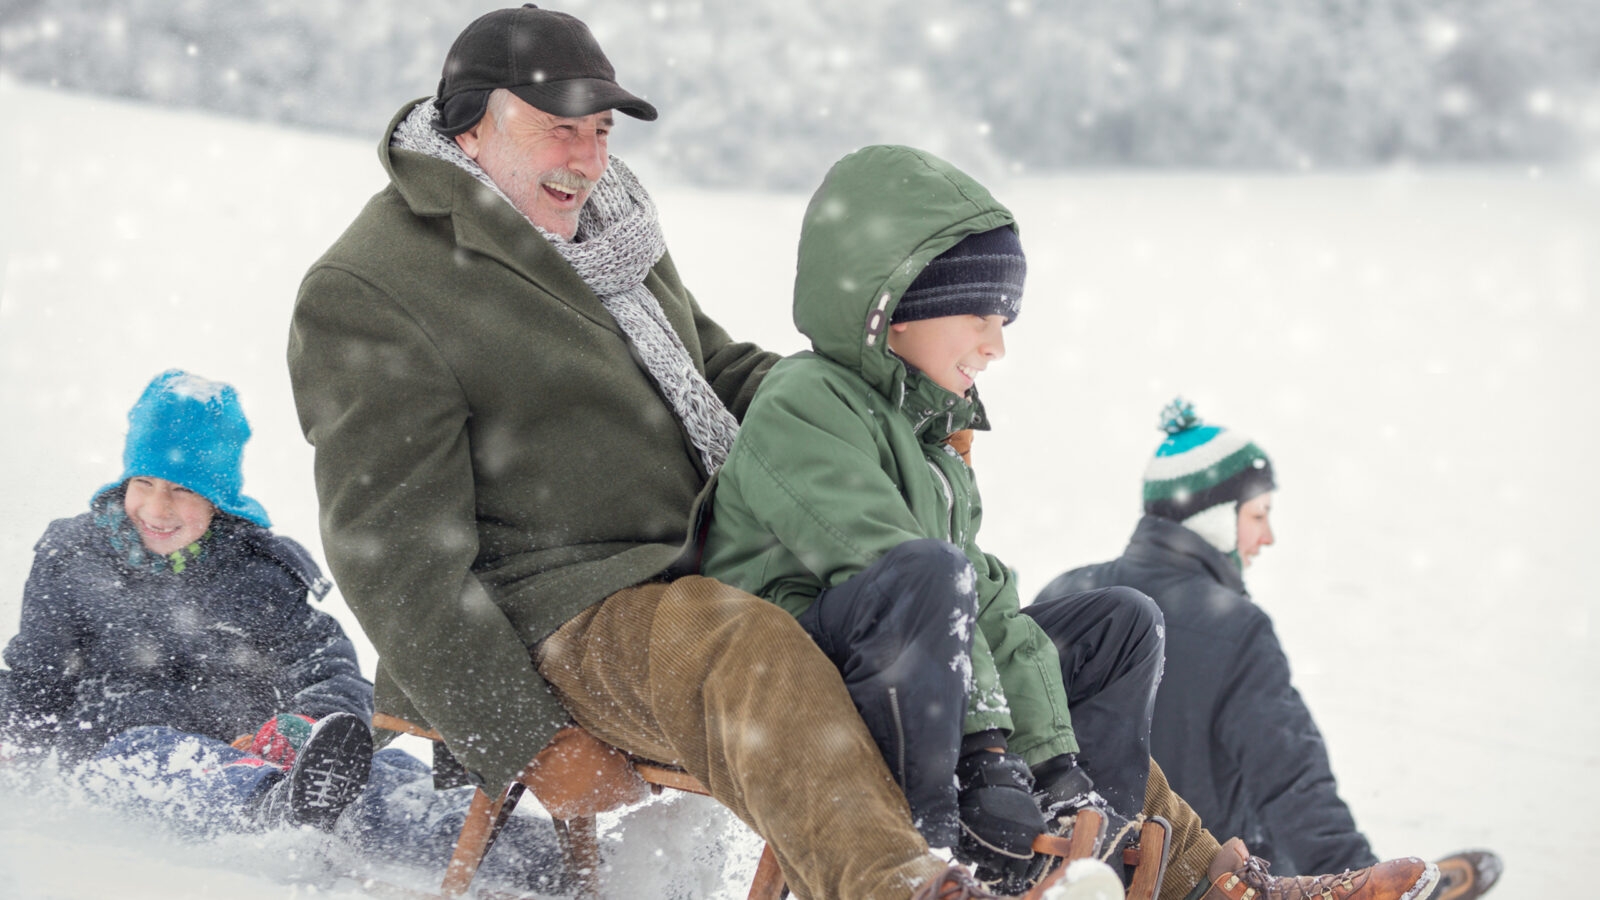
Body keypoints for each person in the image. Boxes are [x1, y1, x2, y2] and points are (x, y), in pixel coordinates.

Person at [286, 6, 1008, 898]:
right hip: (552, 607)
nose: (588, 158)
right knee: (746, 643)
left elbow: (713, 368)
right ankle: (895, 884)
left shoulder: (609, 229)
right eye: (559, 128)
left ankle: (1128, 853)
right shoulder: (375, 286)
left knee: (943, 594)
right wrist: (525, 739)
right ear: (471, 126)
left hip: (701, 561)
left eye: (600, 130)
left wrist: (870, 408)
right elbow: (392, 554)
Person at [700, 144, 1443, 900]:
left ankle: (1092, 857)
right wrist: (989, 754)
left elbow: (986, 606)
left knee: (1121, 624)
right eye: (980, 317)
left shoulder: (931, 438)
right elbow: (904, 578)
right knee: (931, 576)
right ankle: (941, 847)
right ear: (892, 312)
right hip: (809, 670)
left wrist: (1054, 763)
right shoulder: (805, 402)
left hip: (920, 655)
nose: (996, 345)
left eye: (1004, 321)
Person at [0, 369, 564, 895]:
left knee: (376, 779)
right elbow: (34, 680)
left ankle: (536, 854)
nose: (156, 507)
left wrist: (302, 727)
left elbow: (329, 666)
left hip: (263, 750)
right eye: (143, 482)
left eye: (183, 490)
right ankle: (272, 811)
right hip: (120, 748)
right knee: (154, 758)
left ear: (217, 500)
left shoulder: (258, 575)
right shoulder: (73, 558)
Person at [1035, 400, 1500, 900]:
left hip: (1082, 869)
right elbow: (1294, 785)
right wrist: (1368, 879)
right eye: (1258, 515)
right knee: (1271, 849)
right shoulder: (1237, 629)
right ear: (1213, 518)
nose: (1268, 537)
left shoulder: (1071, 594)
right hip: (1215, 876)